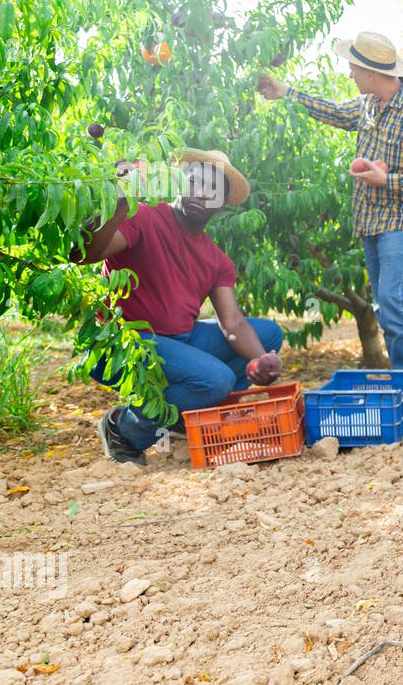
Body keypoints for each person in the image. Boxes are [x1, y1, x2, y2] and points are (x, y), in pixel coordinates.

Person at [256, 31, 403, 388]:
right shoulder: (369, 104)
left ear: (372, 73)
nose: (349, 74)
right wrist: (287, 92)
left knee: (393, 300)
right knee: (383, 303)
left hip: (402, 219)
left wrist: (387, 180)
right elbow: (333, 111)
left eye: (353, 68)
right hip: (371, 219)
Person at [77, 149, 284, 465]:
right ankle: (124, 428)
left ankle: (183, 415)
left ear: (223, 203)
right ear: (180, 183)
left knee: (267, 336)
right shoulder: (142, 217)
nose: (201, 193)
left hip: (176, 342)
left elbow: (233, 324)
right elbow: (85, 253)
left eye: (212, 189)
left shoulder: (216, 259)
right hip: (119, 344)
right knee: (215, 380)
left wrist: (260, 361)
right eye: (194, 181)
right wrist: (120, 199)